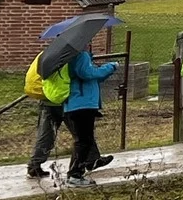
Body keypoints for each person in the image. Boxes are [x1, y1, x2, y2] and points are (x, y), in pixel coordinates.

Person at [63, 49, 119, 187]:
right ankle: (75, 174)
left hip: (78, 103)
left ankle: (77, 172)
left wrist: (104, 72)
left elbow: (92, 76)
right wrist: (110, 66)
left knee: (83, 141)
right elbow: (86, 74)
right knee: (83, 141)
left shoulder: (71, 56)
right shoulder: (80, 55)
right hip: (82, 103)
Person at [25, 53, 65, 179]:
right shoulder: (63, 56)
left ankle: (35, 164)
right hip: (58, 100)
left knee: (46, 134)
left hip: (47, 98)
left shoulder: (47, 54)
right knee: (82, 134)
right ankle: (90, 161)